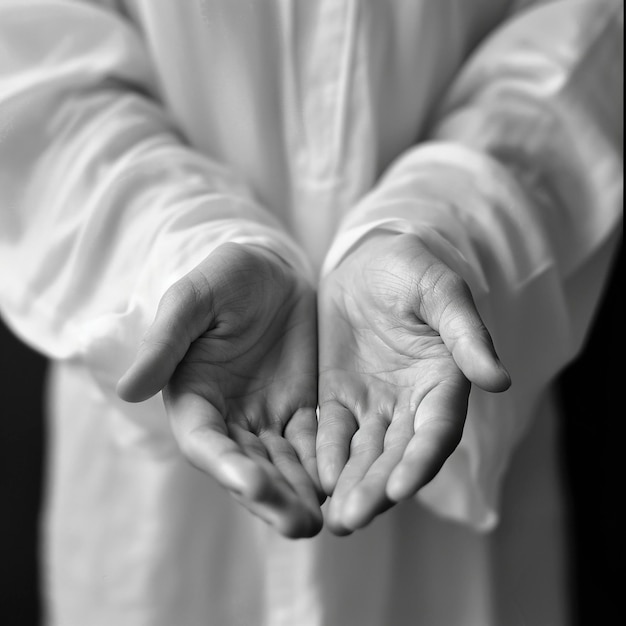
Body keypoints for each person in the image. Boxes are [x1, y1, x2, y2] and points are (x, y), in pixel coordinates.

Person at [0, 0, 622, 624]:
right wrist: (177, 254)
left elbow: (582, 42)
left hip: (453, 420)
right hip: (158, 493)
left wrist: (448, 224)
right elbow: (35, 75)